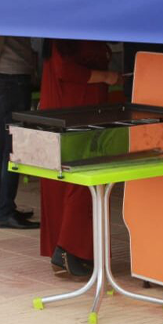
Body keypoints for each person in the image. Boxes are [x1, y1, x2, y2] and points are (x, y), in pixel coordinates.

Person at [38, 40, 119, 276]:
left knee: (71, 183)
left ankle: (71, 251)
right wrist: (106, 76)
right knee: (81, 181)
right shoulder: (65, 35)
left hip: (77, 110)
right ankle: (68, 250)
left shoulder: (67, 33)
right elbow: (65, 69)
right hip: (74, 112)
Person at [0, 35, 39, 229]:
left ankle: (1, 207)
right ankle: (5, 210)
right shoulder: (2, 14)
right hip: (13, 76)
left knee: (4, 145)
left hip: (8, 76)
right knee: (12, 147)